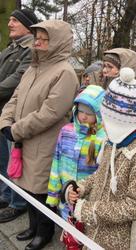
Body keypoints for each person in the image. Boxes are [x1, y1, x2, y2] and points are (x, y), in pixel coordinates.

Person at [0, 20, 79, 250]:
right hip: (23, 140)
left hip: (45, 143)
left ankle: (43, 233)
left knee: (42, 191)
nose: (38, 42)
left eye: (44, 39)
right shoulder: (34, 68)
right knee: (26, 188)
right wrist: (5, 121)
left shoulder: (65, 73)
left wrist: (15, 130)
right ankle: (33, 227)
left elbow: (50, 113)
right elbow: (14, 98)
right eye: (37, 38)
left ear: (57, 42)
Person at [66, 68, 136, 249]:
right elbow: (100, 175)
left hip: (118, 242)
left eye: (107, 121)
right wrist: (81, 187)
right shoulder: (112, 142)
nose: (102, 125)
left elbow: (135, 206)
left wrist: (90, 210)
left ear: (123, 122)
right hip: (93, 232)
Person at [0, 8, 38, 223]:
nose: (9, 24)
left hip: (15, 115)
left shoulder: (31, 48)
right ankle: (6, 196)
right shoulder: (11, 48)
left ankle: (18, 203)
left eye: (15, 20)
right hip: (3, 113)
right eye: (10, 19)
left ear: (26, 25)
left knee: (14, 162)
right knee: (3, 160)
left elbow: (18, 79)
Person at [46, 85, 106, 221]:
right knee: (68, 234)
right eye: (81, 111)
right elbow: (56, 164)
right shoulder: (66, 131)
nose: (83, 117)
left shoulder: (103, 139)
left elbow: (102, 174)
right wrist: (53, 194)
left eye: (89, 113)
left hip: (89, 204)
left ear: (99, 113)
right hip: (66, 200)